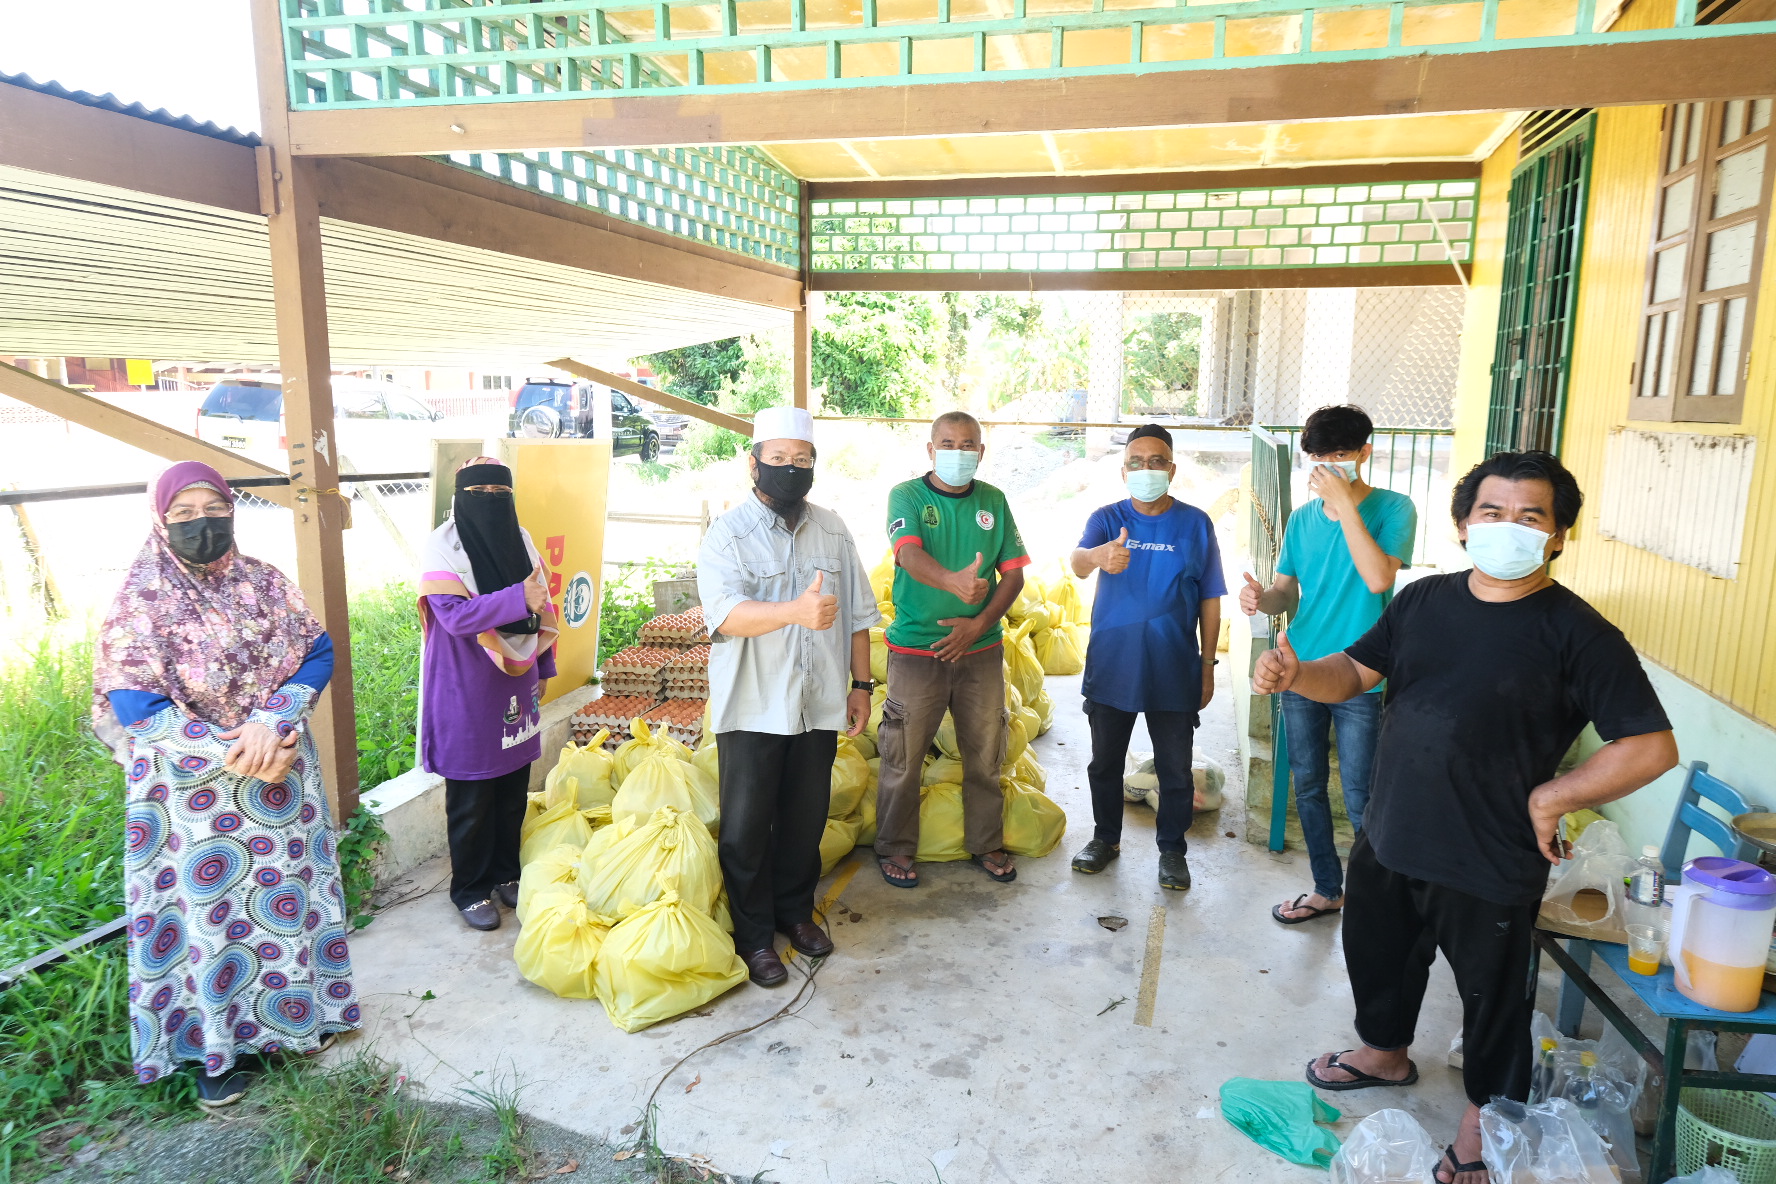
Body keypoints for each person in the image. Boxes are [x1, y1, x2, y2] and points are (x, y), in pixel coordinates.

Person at [1252, 450, 1676, 1184]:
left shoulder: (1578, 632)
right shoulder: (1424, 601)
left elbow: (1651, 746)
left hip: (1489, 855)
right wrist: (1297, 675)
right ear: (1461, 525)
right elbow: (1354, 673)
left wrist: (1553, 796)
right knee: (1378, 953)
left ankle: (1485, 1118)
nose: (1508, 527)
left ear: (1558, 537)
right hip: (1392, 831)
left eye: (1529, 516)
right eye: (1492, 512)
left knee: (1492, 998)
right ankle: (1383, 1054)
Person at [94, 461, 360, 1109]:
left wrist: (274, 721)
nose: (200, 523)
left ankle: (296, 1022)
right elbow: (133, 703)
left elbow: (316, 651)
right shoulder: (141, 600)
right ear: (160, 519)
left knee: (286, 900)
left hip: (279, 776)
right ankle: (215, 1052)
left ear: (232, 508)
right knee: (209, 919)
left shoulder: (264, 583)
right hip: (191, 796)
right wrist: (240, 752)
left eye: (212, 507)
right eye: (182, 514)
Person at [697, 407, 879, 988]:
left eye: (802, 461)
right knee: (747, 829)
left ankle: (794, 914)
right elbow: (725, 614)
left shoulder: (832, 527)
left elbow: (856, 615)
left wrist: (861, 684)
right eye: (778, 459)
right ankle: (753, 938)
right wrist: (795, 612)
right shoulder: (728, 533)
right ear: (752, 463)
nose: (790, 470)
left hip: (819, 701)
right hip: (753, 705)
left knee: (804, 821)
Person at [1239, 404, 1417, 925]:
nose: (1327, 465)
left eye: (1339, 454)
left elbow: (1378, 579)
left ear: (1365, 453)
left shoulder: (1393, 508)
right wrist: (1259, 600)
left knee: (1362, 793)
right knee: (1308, 783)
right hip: (1301, 667)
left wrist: (1345, 505)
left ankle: (1373, 896)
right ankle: (1326, 888)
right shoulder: (1301, 519)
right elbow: (1283, 592)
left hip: (1362, 672)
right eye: (1318, 456)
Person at [874, 411, 1029, 888]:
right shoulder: (908, 495)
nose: (958, 453)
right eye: (948, 443)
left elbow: (1015, 573)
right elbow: (908, 552)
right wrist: (953, 581)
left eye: (968, 445)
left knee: (985, 753)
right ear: (930, 449)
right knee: (903, 755)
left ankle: (986, 841)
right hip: (917, 651)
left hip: (979, 651)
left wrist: (978, 623)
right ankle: (895, 847)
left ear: (981, 453)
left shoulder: (993, 501)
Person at [1067, 424, 1224, 890]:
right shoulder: (1107, 517)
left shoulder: (1196, 524)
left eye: (1156, 461)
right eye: (1136, 462)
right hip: (1113, 666)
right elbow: (1076, 562)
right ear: (1123, 471)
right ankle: (1105, 839)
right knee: (1104, 764)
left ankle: (1172, 851)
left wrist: (1207, 665)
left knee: (1175, 769)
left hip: (1173, 668)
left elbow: (1211, 597)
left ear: (1172, 469)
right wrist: (1099, 556)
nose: (1146, 469)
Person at [418, 456, 558, 932]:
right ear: (460, 498)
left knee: (513, 787)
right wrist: (518, 598)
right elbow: (455, 618)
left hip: (514, 682)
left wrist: (544, 664)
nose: (493, 503)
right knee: (472, 793)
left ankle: (505, 874)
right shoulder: (443, 549)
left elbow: (545, 607)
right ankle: (470, 889)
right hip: (465, 686)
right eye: (481, 495)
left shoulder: (521, 541)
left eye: (502, 494)